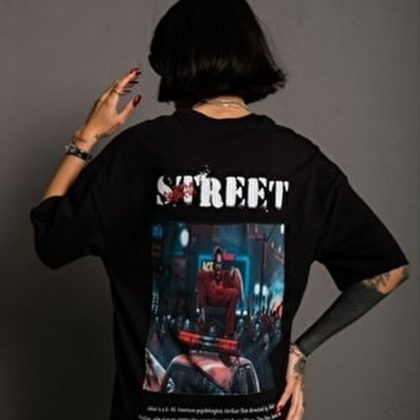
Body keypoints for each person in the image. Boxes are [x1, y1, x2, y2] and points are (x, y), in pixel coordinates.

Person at [28, 0, 410, 419]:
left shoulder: (140, 153)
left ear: (176, 62)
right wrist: (300, 351)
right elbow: (387, 270)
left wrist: (84, 138)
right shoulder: (299, 163)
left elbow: (51, 240)